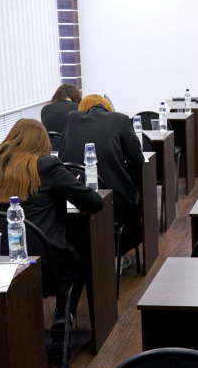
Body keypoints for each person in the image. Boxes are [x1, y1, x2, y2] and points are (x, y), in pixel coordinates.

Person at [0, 119, 104, 359]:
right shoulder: (47, 166)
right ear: (42, 144)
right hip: (45, 267)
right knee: (80, 248)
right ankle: (63, 312)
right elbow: (94, 203)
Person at [58, 94, 145, 256]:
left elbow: (62, 157)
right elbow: (137, 160)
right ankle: (117, 255)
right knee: (133, 197)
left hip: (75, 197)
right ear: (107, 107)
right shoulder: (120, 120)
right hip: (115, 201)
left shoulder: (71, 118)